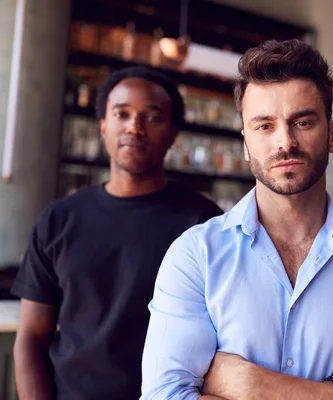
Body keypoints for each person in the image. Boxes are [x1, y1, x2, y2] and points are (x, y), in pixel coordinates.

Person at [140, 39, 333, 400]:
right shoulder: (195, 255)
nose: (286, 142)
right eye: (264, 126)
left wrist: (251, 385)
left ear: (332, 135)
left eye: (303, 121)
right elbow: (163, 396)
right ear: (246, 143)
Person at [11, 66, 222, 400]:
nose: (134, 127)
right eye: (121, 113)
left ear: (172, 133)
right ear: (103, 126)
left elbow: (224, 340)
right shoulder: (59, 219)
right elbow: (31, 338)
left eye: (152, 117)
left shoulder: (203, 223)